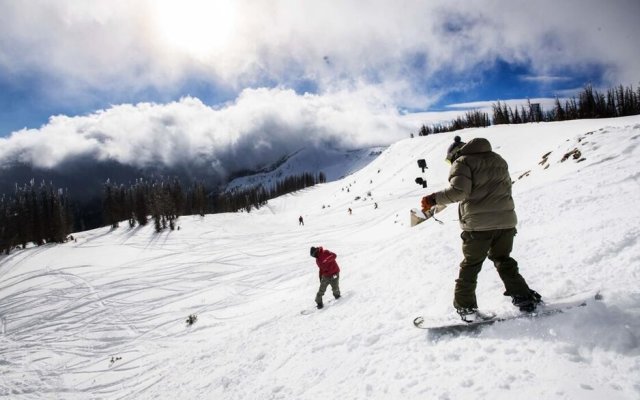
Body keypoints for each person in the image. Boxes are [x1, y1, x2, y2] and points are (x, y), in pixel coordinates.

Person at [420, 137, 541, 321]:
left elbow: (459, 192)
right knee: (503, 260)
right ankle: (524, 298)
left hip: (479, 226)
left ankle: (465, 308)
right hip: (506, 221)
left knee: (471, 265)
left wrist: (433, 199)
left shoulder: (462, 162)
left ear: (455, 154)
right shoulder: (498, 159)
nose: (450, 163)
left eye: (448, 160)